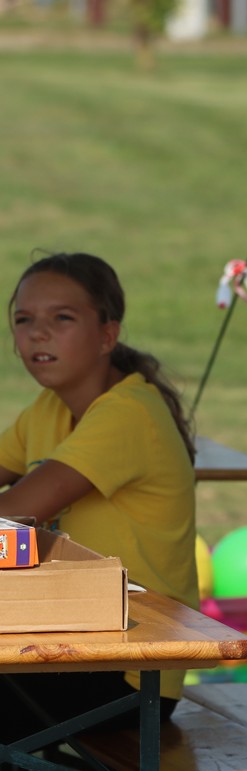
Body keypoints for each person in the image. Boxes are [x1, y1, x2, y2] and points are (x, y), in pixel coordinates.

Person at [0, 251, 198, 739]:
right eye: (24, 320)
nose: (38, 334)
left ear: (108, 334)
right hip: (62, 649)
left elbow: (14, 510)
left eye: (61, 318)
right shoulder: (46, 409)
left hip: (131, 672)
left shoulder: (128, 413)